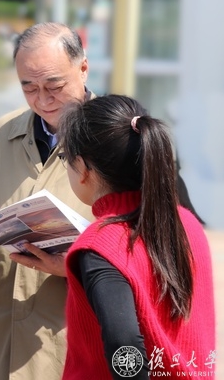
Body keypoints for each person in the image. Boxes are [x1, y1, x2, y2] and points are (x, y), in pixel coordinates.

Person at [0, 22, 94, 379]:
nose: (43, 100)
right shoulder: (3, 132)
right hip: (2, 325)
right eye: (29, 87)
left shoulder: (118, 137)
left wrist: (76, 265)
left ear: (83, 68)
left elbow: (148, 245)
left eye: (55, 85)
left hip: (70, 330)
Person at [56, 94, 215, 378]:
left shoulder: (101, 245)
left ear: (82, 168)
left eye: (65, 158)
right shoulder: (187, 223)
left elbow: (124, 345)